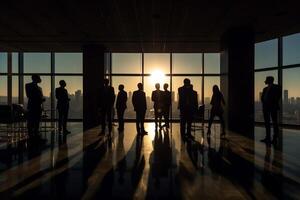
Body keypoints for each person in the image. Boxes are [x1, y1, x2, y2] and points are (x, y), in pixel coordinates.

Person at [260, 76, 281, 144]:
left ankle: (274, 138)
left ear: (269, 80)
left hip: (272, 107)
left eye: (266, 80)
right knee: (267, 123)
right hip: (266, 107)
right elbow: (263, 97)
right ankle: (268, 137)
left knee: (274, 122)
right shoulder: (265, 88)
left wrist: (271, 102)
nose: (265, 81)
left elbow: (278, 96)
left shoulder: (276, 87)